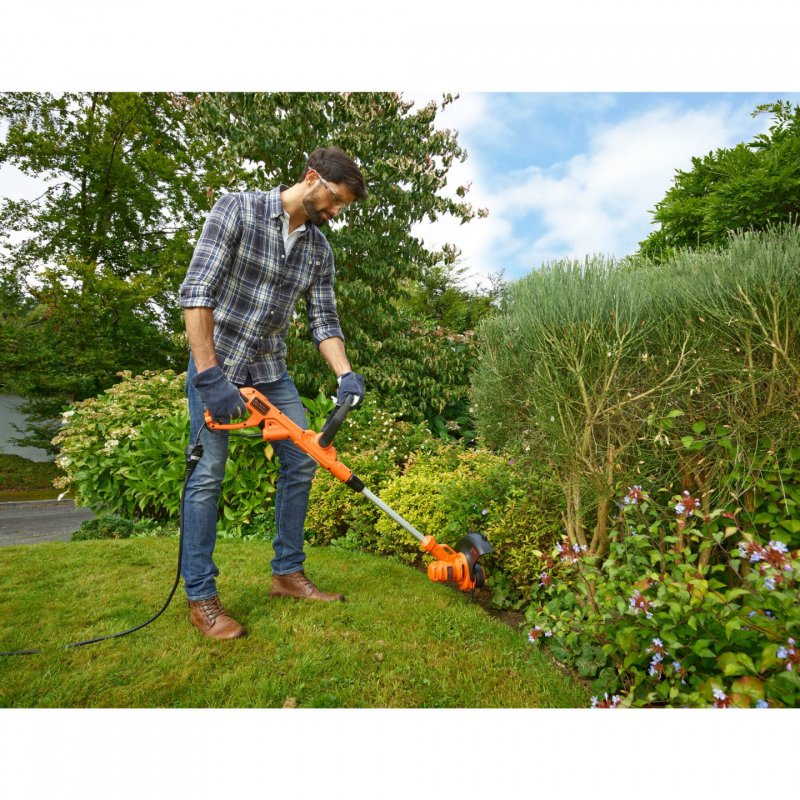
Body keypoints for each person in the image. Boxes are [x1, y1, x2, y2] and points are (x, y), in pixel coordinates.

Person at [178, 146, 368, 640]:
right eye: (335, 201)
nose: (335, 213)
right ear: (312, 178)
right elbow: (196, 292)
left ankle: (287, 573)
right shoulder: (236, 209)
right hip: (214, 365)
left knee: (304, 459)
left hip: (270, 370)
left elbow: (324, 321)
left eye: (343, 208)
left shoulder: (318, 250)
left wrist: (345, 374)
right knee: (206, 476)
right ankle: (201, 598)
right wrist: (209, 377)